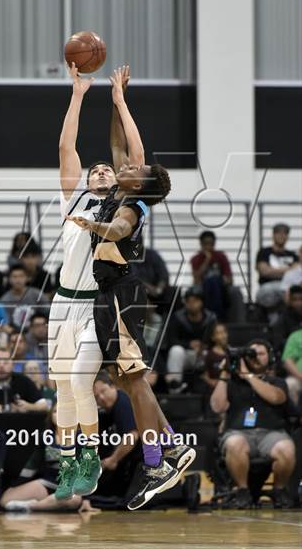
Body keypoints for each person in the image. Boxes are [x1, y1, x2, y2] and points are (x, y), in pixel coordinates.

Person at [69, 68, 195, 511]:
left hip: (123, 293)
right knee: (125, 378)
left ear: (141, 183)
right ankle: (173, 447)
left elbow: (119, 229)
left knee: (134, 378)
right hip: (109, 295)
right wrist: (116, 99)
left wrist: (92, 223)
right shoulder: (120, 187)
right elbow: (121, 144)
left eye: (136, 169)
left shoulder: (132, 203)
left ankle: (157, 458)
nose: (127, 164)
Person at [47, 63, 125, 504]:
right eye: (94, 170)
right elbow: (65, 147)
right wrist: (78, 95)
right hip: (61, 301)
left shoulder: (122, 207)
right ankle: (67, 463)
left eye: (104, 170)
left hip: (96, 305)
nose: (98, 172)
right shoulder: (73, 196)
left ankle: (90, 456)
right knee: (61, 386)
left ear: (115, 180)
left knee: (80, 382)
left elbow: (127, 156)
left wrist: (118, 101)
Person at [210, 339, 295, 509]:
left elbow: (276, 397)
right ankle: (242, 491)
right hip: (238, 432)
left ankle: (279, 491)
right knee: (235, 444)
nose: (256, 357)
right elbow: (217, 406)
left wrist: (247, 376)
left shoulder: (277, 382)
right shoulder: (232, 382)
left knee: (286, 448)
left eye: (261, 353)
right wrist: (225, 374)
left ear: (269, 357)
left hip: (271, 434)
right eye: (251, 353)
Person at [1, 402, 91, 513]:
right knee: (6, 500)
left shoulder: (80, 438)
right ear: (50, 416)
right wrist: (16, 486)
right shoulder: (46, 436)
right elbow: (32, 465)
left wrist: (86, 499)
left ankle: (32, 507)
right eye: (55, 411)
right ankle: (48, 503)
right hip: (46, 484)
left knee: (74, 500)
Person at [93, 371, 140, 499]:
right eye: (96, 396)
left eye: (104, 391)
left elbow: (132, 436)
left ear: (113, 386)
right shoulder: (106, 411)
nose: (101, 398)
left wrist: (113, 460)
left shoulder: (123, 403)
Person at [165, 286, 217, 393]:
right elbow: (171, 341)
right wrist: (189, 344)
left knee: (213, 353)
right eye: (189, 301)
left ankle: (215, 388)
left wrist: (203, 346)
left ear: (201, 302)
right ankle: (175, 387)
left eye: (195, 301)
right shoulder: (178, 317)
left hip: (204, 355)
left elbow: (216, 340)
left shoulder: (210, 318)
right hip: (185, 355)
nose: (192, 304)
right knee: (176, 351)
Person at [190, 231, 244, 322]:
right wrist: (207, 260)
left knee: (235, 291)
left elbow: (229, 278)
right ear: (201, 244)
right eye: (205, 244)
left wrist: (222, 281)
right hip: (203, 286)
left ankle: (238, 323)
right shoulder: (196, 258)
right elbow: (196, 279)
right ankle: (213, 318)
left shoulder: (221, 256)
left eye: (211, 244)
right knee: (205, 286)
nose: (208, 246)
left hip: (220, 285)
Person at [0, 348, 47, 413]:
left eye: (6, 362)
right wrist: (4, 408)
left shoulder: (23, 381)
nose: (1, 366)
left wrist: (29, 407)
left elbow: (44, 405)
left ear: (13, 364)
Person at [256, 223, 298, 310]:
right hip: (267, 289)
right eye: (279, 233)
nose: (282, 236)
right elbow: (265, 272)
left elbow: (297, 273)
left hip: (287, 291)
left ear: (287, 236)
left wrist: (273, 271)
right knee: (286, 290)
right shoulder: (264, 252)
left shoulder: (293, 255)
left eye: (285, 233)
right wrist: (290, 270)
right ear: (273, 235)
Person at [1, 264, 50, 328]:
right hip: (15, 333)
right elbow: (5, 323)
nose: (18, 280)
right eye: (14, 277)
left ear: (27, 278)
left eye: (21, 276)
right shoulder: (5, 299)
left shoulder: (37, 294)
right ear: (9, 279)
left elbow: (48, 312)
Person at [271, 285, 302, 353]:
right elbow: (278, 343)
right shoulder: (283, 319)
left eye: (301, 299)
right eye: (295, 300)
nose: (298, 303)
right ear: (290, 301)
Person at [201, 322, 229, 389]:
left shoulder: (231, 352)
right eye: (219, 333)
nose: (223, 335)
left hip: (229, 387)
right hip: (214, 388)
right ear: (213, 337)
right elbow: (204, 376)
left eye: (224, 332)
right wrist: (213, 382)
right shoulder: (209, 355)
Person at [281, 327, 302, 407]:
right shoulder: (295, 336)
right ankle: (294, 417)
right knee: (290, 384)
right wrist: (301, 376)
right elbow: (287, 361)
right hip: (299, 378)